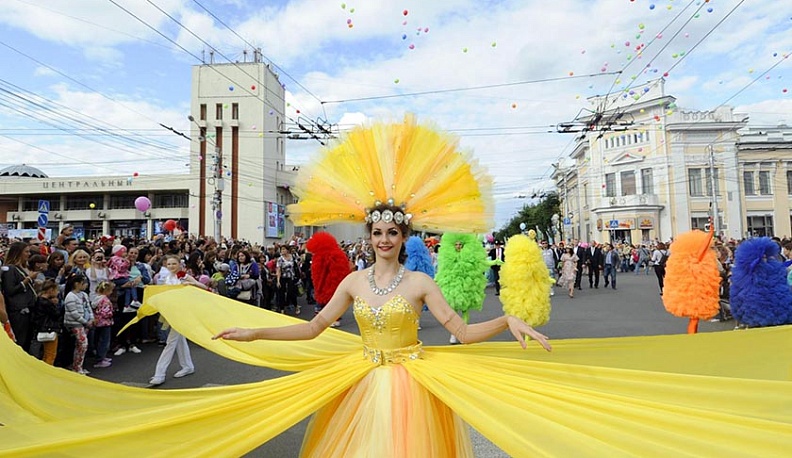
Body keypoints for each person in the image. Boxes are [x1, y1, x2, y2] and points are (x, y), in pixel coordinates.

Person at [214, 202, 551, 454]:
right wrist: (255, 332)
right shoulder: (353, 281)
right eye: (377, 233)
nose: (384, 239)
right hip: (361, 384)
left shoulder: (420, 283)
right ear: (370, 236)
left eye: (392, 232)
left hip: (411, 387)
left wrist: (507, 320)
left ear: (404, 237)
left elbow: (462, 333)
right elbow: (314, 326)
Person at [149, 254, 206, 386]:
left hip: (183, 313)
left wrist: (191, 284)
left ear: (179, 264)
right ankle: (187, 366)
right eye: (169, 264)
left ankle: (159, 374)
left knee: (170, 342)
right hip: (171, 312)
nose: (171, 266)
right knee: (179, 340)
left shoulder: (184, 276)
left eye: (174, 264)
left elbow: (202, 287)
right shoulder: (167, 277)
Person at [0, 241, 38, 352]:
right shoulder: (10, 269)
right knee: (19, 340)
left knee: (26, 340)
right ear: (18, 253)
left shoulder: (21, 268)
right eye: (26, 251)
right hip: (18, 311)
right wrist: (27, 280)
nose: (29, 254)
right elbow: (10, 290)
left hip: (27, 309)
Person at [63, 273, 94, 375]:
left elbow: (88, 307)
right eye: (83, 283)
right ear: (77, 284)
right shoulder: (70, 296)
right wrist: (85, 322)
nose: (85, 285)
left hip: (85, 322)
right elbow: (74, 313)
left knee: (81, 346)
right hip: (75, 323)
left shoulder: (84, 295)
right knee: (83, 344)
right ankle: (77, 367)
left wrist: (91, 318)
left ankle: (78, 365)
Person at [91, 281, 115, 368]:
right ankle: (100, 358)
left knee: (100, 340)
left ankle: (102, 356)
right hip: (105, 322)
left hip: (98, 322)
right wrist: (111, 313)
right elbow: (106, 312)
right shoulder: (105, 300)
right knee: (104, 341)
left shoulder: (96, 299)